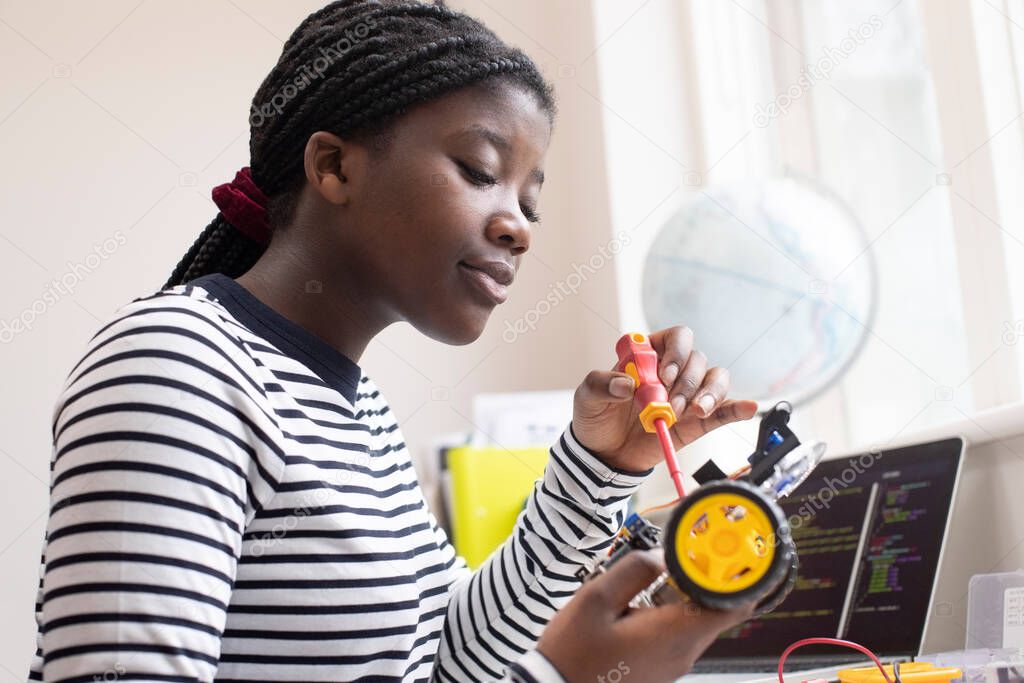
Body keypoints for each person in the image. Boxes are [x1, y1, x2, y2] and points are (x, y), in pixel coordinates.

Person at [28, 1, 762, 681]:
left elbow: (447, 657)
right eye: (480, 171)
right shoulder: (176, 367)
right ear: (334, 166)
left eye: (528, 201)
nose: (519, 226)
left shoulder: (355, 408)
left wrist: (601, 462)